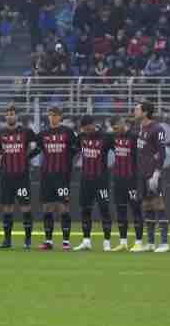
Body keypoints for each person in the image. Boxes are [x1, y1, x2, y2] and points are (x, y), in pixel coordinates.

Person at [0, 105, 40, 249]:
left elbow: (38, 147)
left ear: (16, 116)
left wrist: (27, 158)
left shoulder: (26, 132)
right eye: (7, 114)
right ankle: (7, 240)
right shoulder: (0, 133)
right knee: (7, 208)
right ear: (5, 117)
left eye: (12, 113)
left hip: (22, 177)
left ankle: (27, 240)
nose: (9, 116)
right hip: (6, 176)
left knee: (25, 207)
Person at [38, 106, 79, 251]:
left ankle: (66, 242)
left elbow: (77, 148)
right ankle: (48, 241)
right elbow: (39, 149)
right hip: (47, 176)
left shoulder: (67, 132)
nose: (52, 117)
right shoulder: (43, 134)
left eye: (55, 115)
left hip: (62, 176)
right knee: (47, 208)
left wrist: (69, 160)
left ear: (60, 116)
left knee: (63, 207)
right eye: (50, 115)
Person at [75, 115, 114, 252]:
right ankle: (86, 241)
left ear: (93, 124)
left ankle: (107, 242)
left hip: (101, 180)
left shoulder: (106, 137)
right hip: (85, 179)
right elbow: (74, 152)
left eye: (87, 128)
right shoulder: (81, 137)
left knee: (104, 209)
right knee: (85, 209)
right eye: (83, 129)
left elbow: (120, 153)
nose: (86, 131)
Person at [136, 101, 170, 253]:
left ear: (145, 112)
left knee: (158, 204)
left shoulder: (157, 129)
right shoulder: (140, 128)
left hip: (152, 174)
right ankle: (150, 242)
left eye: (137, 109)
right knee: (147, 206)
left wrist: (156, 173)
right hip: (142, 173)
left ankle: (164, 243)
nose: (134, 111)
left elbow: (162, 153)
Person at [109, 117, 143, 251]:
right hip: (118, 179)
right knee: (120, 210)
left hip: (132, 180)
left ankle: (139, 242)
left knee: (135, 210)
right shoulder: (113, 138)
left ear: (122, 124)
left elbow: (141, 156)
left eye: (116, 128)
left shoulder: (134, 137)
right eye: (113, 129)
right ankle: (123, 242)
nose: (115, 131)